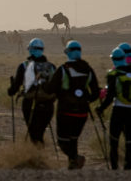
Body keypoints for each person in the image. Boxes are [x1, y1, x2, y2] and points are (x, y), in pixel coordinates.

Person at [43, 40, 100, 170]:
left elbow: (50, 89)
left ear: (68, 53)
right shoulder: (88, 70)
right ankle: (73, 166)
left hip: (65, 111)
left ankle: (74, 158)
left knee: (62, 141)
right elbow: (96, 93)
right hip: (82, 113)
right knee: (73, 139)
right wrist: (86, 100)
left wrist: (43, 83)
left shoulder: (63, 69)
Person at [96, 47, 131, 170]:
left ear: (113, 59)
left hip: (119, 110)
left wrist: (101, 108)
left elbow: (110, 96)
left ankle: (115, 170)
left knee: (114, 140)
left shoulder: (113, 74)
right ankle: (129, 167)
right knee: (130, 139)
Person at [7, 38, 57, 145]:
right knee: (40, 132)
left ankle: (37, 157)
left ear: (29, 50)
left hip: (29, 104)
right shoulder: (51, 67)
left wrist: (11, 90)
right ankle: (39, 156)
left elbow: (15, 87)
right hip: (47, 105)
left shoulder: (24, 66)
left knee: (33, 134)